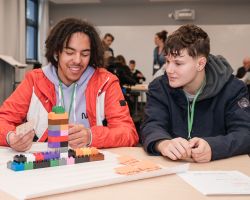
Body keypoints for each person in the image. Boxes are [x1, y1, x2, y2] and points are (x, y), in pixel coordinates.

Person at [0, 18, 138, 152]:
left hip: (89, 162)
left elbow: (128, 132)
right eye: (69, 52)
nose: (77, 60)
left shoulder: (106, 82)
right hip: (47, 162)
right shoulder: (35, 80)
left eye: (85, 54)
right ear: (56, 53)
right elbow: (3, 120)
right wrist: (11, 137)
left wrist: (91, 136)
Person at [141, 24, 250, 163]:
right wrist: (163, 143)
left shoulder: (232, 89)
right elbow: (151, 125)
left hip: (217, 171)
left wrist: (214, 147)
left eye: (178, 63)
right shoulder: (159, 87)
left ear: (200, 64)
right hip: (172, 170)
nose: (169, 69)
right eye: (167, 61)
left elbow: (245, 133)